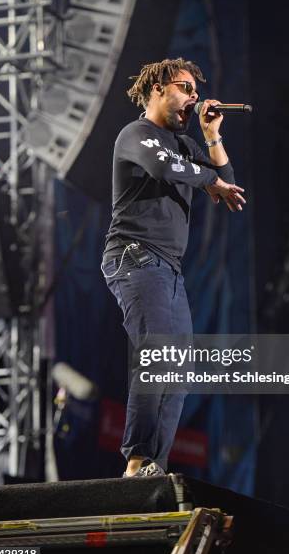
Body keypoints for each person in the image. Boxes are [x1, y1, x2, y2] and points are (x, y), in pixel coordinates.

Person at [101, 57, 246, 477]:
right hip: (135, 255)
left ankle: (153, 468)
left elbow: (225, 179)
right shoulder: (137, 135)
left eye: (196, 92)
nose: (193, 97)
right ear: (159, 89)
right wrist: (209, 180)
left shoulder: (184, 144)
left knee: (179, 369)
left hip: (168, 267)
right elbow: (164, 167)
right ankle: (137, 461)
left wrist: (211, 134)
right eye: (185, 89)